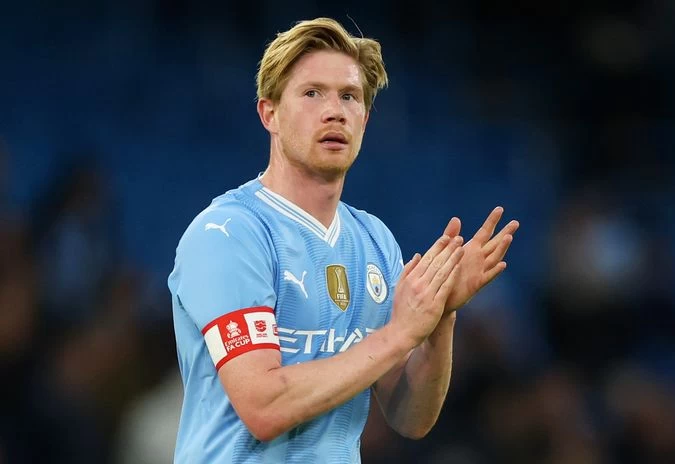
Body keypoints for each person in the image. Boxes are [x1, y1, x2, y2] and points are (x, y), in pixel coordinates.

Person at [167, 17, 519, 463]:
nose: (334, 111)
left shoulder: (375, 241)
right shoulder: (229, 233)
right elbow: (264, 407)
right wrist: (400, 334)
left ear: (365, 120)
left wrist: (440, 316)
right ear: (269, 114)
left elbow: (410, 417)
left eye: (349, 96)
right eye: (312, 93)